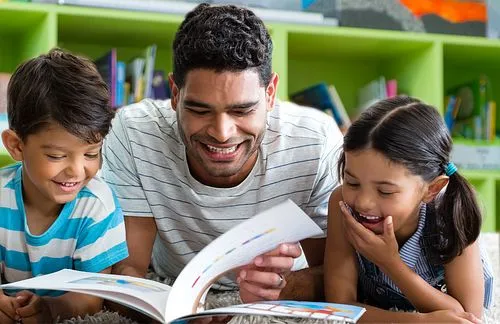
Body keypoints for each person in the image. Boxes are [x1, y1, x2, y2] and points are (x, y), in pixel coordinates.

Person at [100, 2, 342, 308]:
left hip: (275, 286)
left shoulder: (315, 140)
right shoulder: (136, 132)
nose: (222, 132)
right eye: (200, 110)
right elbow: (129, 267)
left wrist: (285, 287)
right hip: (170, 281)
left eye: (242, 110)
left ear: (270, 94)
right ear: (175, 94)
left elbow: (334, 277)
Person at [324, 96, 494, 323]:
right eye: (352, 183)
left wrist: (390, 262)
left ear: (431, 189)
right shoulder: (342, 206)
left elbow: (468, 316)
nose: (363, 202)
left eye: (385, 191)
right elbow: (339, 307)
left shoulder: (451, 214)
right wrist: (417, 322)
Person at [0, 49, 129, 323]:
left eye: (91, 154)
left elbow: (91, 299)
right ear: (16, 145)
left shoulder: (97, 205)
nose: (77, 170)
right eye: (57, 156)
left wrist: (49, 309)